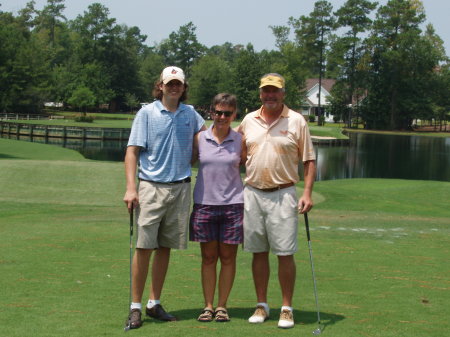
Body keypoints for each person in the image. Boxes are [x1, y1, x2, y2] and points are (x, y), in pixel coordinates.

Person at [123, 66, 205, 329]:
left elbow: (206, 139)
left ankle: (153, 302)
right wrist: (130, 187)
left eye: (178, 83)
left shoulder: (191, 114)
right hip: (150, 187)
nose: (173, 87)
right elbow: (132, 152)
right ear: (160, 85)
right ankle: (135, 307)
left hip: (180, 189)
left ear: (183, 87)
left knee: (165, 247)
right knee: (144, 247)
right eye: (169, 83)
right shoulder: (146, 113)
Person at [238, 73, 316, 329]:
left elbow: (309, 160)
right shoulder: (249, 120)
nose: (270, 95)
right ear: (260, 93)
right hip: (253, 193)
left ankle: (286, 308)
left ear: (283, 93)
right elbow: (237, 155)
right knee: (258, 252)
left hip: (283, 194)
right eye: (266, 91)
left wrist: (306, 194)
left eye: (275, 91)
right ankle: (261, 305)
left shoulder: (296, 121)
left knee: (284, 253)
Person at [189, 93, 245, 323]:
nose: (222, 117)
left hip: (233, 205)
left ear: (234, 115)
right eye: (218, 112)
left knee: (228, 258)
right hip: (205, 204)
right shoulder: (200, 138)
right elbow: (187, 162)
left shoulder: (240, 140)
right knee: (209, 258)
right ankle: (208, 306)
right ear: (211, 112)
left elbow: (249, 166)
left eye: (227, 113)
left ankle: (222, 306)